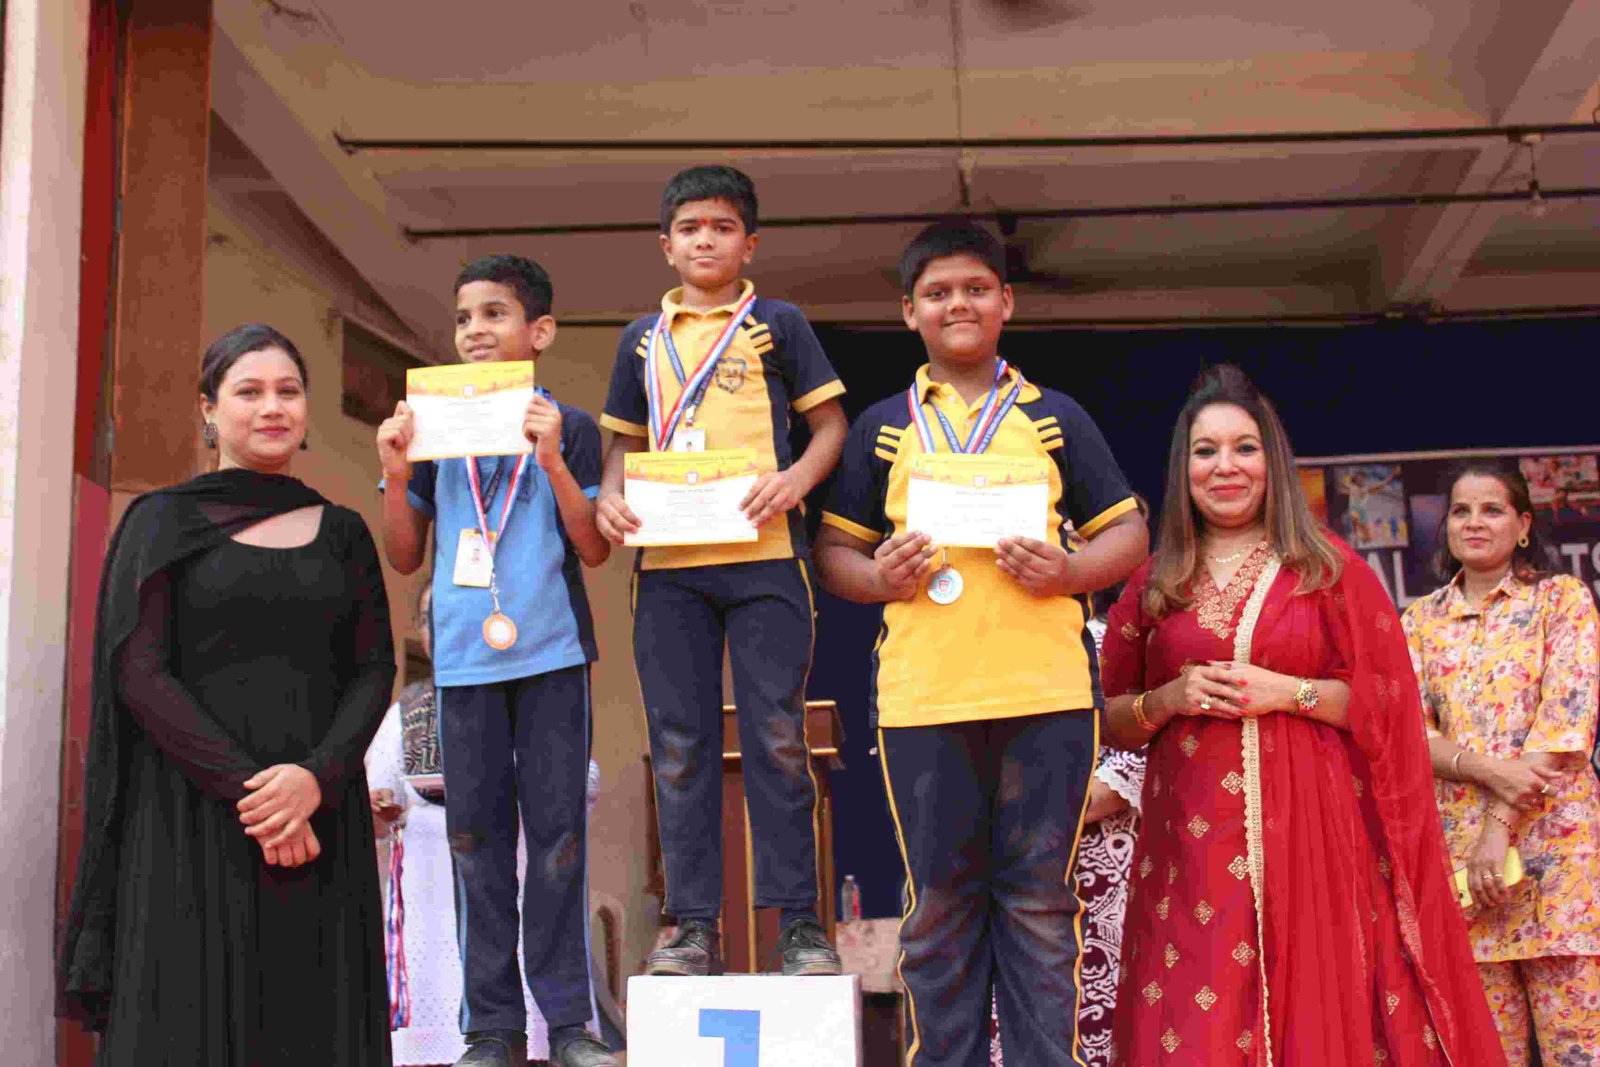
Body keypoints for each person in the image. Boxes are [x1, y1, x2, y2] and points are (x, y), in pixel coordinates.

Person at [1099, 364, 1504, 1065]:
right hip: (1186, 849)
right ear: (1183, 468)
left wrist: (1290, 692)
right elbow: (1111, 717)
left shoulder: (1326, 568)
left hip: (1309, 839)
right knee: (1194, 1022)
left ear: (1273, 462)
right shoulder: (1155, 580)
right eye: (1206, 450)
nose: (1226, 466)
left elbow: (1385, 701)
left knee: (1312, 1012)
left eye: (1245, 448)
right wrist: (1167, 699)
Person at [816, 219, 1148, 1065]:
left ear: (1007, 301)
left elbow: (1129, 533)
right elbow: (834, 553)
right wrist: (879, 576)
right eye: (937, 292)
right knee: (940, 904)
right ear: (909, 311)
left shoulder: (1055, 417)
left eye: (974, 288)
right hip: (924, 699)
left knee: (1039, 903)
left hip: (1049, 696)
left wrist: (1069, 569)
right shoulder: (882, 427)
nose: (956, 304)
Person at [57, 324, 397, 1065]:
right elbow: (138, 670)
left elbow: (375, 669)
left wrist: (314, 779)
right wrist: (257, 794)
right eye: (250, 392)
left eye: (288, 391)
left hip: (318, 821)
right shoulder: (158, 522)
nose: (272, 407)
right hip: (191, 816)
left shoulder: (343, 533)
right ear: (209, 409)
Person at [595, 165, 848, 976]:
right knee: (679, 745)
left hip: (765, 557)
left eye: (723, 226)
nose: (706, 239)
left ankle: (799, 923)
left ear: (750, 243)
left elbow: (830, 425)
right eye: (690, 228)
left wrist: (796, 481)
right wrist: (609, 497)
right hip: (670, 567)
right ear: (665, 246)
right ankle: (693, 923)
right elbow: (623, 444)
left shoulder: (777, 323)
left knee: (777, 737)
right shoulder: (642, 339)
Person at [375, 255, 613, 1067]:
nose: (476, 329)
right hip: (464, 664)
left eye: (495, 313)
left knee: (558, 841)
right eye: (464, 317)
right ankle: (493, 1028)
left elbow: (593, 547)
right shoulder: (432, 428)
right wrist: (395, 472)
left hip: (553, 656)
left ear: (539, 332)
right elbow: (404, 555)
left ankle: (570, 1023)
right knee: (474, 842)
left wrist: (553, 461)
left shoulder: (570, 425)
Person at [1402, 462, 1600, 1066]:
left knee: (1578, 1053)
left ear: (1524, 525)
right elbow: (1408, 734)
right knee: (1484, 1055)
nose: (1474, 522)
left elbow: (1564, 724)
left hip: (1557, 869)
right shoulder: (1419, 621)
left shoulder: (1561, 600)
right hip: (1467, 877)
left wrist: (1497, 830)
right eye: (1461, 510)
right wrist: (1486, 770)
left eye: (1492, 510)